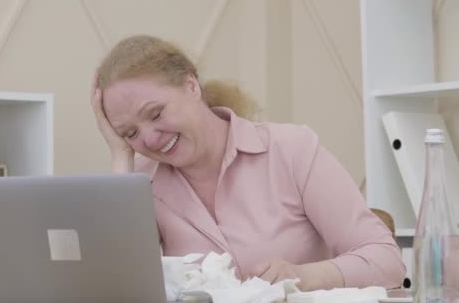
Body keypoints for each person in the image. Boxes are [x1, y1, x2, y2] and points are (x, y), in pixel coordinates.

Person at [91, 34, 406, 291]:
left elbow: (386, 261)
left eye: (156, 114)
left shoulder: (291, 150)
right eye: (130, 133)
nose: (149, 140)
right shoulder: (142, 184)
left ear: (191, 86)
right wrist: (121, 158)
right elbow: (114, 288)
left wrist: (302, 277)